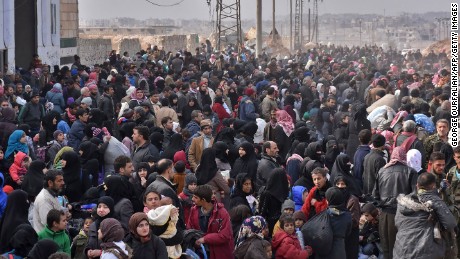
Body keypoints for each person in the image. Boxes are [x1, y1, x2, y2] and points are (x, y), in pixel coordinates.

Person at [393, 172, 457, 259]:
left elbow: (397, 223)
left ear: (417, 185)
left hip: (402, 250)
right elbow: (450, 224)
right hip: (426, 253)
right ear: (433, 186)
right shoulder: (435, 201)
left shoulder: (403, 202)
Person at [372, 146, 418, 259]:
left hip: (385, 215)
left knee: (386, 246)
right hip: (404, 215)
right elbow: (415, 195)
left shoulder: (382, 171)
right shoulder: (410, 171)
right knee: (402, 247)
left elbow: (375, 195)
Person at [187, 184, 234, 259]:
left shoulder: (222, 213)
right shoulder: (194, 210)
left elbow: (225, 235)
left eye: (195, 197)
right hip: (200, 253)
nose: (192, 199)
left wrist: (205, 239)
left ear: (203, 200)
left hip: (219, 253)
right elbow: (189, 228)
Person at [146, 159, 185, 229]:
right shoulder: (166, 189)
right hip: (167, 231)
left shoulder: (151, 185)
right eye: (172, 169)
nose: (173, 172)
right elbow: (173, 215)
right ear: (169, 170)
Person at [320, 187, 353, 259]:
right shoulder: (347, 215)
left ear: (328, 200)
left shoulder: (324, 214)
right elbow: (348, 232)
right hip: (340, 249)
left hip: (325, 250)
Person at [334, 176, 361, 259]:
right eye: (338, 184)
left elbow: (354, 221)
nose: (340, 186)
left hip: (350, 235)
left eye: (343, 184)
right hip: (339, 235)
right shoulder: (335, 198)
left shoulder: (352, 200)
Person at [258, 168, 289, 235]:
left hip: (281, 224)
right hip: (270, 226)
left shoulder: (283, 191)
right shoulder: (267, 194)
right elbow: (262, 213)